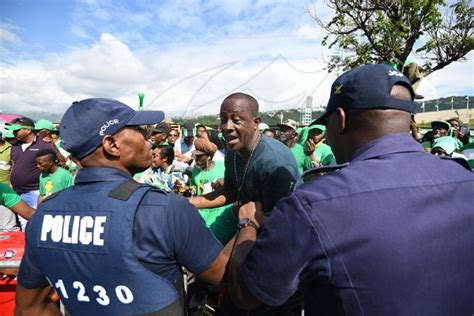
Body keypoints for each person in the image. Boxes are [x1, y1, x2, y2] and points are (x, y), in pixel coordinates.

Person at [227, 64, 474, 315]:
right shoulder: (466, 180)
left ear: (340, 120)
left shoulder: (314, 204)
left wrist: (247, 224)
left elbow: (248, 294)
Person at [16, 98, 229, 315]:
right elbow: (232, 282)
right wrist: (247, 220)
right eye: (139, 131)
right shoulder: (164, 209)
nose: (148, 139)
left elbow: (30, 307)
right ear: (112, 145)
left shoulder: (44, 214)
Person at [190, 92, 299, 216]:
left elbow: (279, 219)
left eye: (236, 120)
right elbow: (230, 192)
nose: (227, 127)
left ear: (255, 123)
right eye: (223, 120)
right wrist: (186, 202)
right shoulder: (233, 151)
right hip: (244, 217)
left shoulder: (274, 161)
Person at [7, 117, 57, 230]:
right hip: (16, 192)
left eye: (17, 130)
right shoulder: (15, 146)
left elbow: (54, 166)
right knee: (22, 224)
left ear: (28, 130)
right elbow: (14, 165)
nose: (14, 133)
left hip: (35, 192)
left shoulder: (44, 145)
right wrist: (11, 182)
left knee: (35, 223)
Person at [189, 138, 236, 245]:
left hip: (220, 218)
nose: (197, 159)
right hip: (203, 219)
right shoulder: (196, 171)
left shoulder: (223, 166)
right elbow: (195, 189)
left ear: (209, 156)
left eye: (200, 156)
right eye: (196, 156)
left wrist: (223, 182)